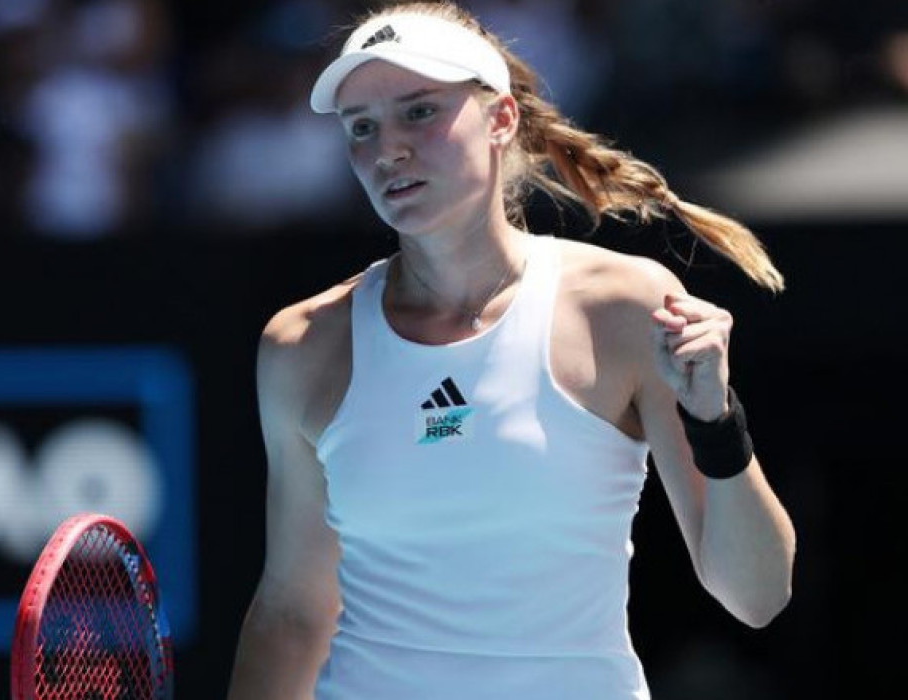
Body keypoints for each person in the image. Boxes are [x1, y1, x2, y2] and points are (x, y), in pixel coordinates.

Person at [225, 2, 796, 699]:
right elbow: (293, 612)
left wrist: (716, 420)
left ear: (499, 119)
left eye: (419, 112)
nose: (387, 150)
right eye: (362, 127)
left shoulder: (625, 307)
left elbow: (756, 594)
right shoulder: (303, 345)